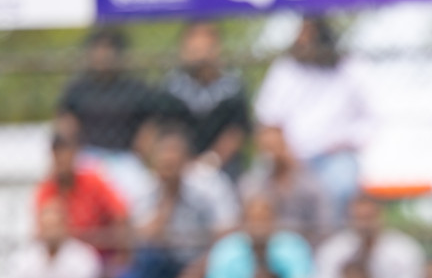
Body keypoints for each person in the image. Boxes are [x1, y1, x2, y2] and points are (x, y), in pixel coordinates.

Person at [254, 15, 370, 222]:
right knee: (256, 188)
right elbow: (268, 118)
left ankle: (330, 247)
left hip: (334, 157)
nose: (302, 41)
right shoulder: (285, 70)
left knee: (340, 187)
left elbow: (370, 121)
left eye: (309, 35)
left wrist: (344, 141)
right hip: (289, 156)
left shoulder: (350, 69)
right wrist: (283, 152)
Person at [119, 125, 240, 278]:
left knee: (227, 261)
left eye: (174, 154)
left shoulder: (210, 185)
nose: (168, 160)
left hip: (202, 260)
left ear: (187, 160)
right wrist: (167, 197)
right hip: (163, 262)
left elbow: (226, 235)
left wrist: (197, 271)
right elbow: (141, 238)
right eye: (163, 155)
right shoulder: (144, 188)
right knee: (140, 268)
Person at [308, 195, 425, 278]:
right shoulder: (331, 252)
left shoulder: (404, 251)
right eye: (358, 218)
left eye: (369, 218)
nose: (364, 225)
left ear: (381, 217)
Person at [56, 28, 161, 171]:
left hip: (126, 158)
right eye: (98, 49)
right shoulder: (78, 90)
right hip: (87, 157)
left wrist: (143, 157)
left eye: (108, 48)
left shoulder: (136, 89)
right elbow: (66, 127)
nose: (103, 55)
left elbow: (149, 127)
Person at [163, 22, 251, 179]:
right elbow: (168, 129)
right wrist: (186, 162)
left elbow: (236, 132)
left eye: (206, 40)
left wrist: (211, 161)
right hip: (182, 162)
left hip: (223, 165)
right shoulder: (172, 86)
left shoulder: (232, 86)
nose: (200, 47)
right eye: (193, 41)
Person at [205, 194, 312, 278]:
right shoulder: (224, 252)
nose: (259, 226)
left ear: (274, 219)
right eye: (253, 219)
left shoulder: (294, 248)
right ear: (243, 221)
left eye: (264, 219)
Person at [34, 126, 130, 262]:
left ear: (74, 154)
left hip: (100, 255)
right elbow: (41, 232)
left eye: (65, 153)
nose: (62, 160)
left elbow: (120, 214)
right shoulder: (46, 190)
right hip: (65, 259)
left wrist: (121, 254)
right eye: (57, 154)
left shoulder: (93, 181)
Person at [240, 124, 332, 242]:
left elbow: (324, 221)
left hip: (305, 245)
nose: (272, 154)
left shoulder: (307, 181)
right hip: (263, 247)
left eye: (276, 147)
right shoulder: (251, 184)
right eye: (267, 148)